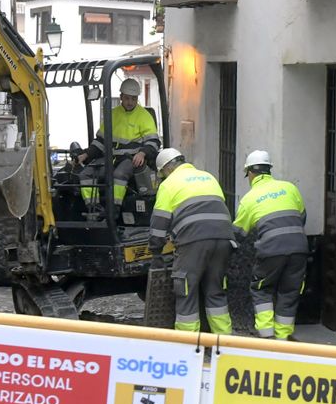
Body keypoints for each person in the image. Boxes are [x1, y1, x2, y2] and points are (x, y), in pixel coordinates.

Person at [148, 147, 233, 333]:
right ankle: (225, 343)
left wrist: (156, 251)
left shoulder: (169, 184)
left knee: (185, 291)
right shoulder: (208, 176)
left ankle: (187, 347)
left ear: (167, 169)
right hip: (224, 237)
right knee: (215, 291)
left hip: (194, 240)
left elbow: (160, 221)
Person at [233, 149, 307, 340]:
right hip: (299, 247)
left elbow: (238, 234)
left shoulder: (249, 198)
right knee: (289, 292)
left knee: (261, 289)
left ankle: (267, 337)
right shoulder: (289, 187)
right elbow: (302, 216)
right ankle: (283, 338)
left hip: (271, 249)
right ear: (269, 170)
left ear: (249, 173)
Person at [90, 77, 160, 207]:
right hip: (111, 158)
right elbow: (100, 141)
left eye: (133, 99)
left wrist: (142, 153)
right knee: (88, 173)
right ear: (121, 96)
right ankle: (93, 208)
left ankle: (114, 209)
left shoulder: (144, 116)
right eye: (127, 98)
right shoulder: (112, 114)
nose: (130, 102)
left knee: (119, 175)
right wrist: (86, 155)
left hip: (132, 159)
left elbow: (154, 142)